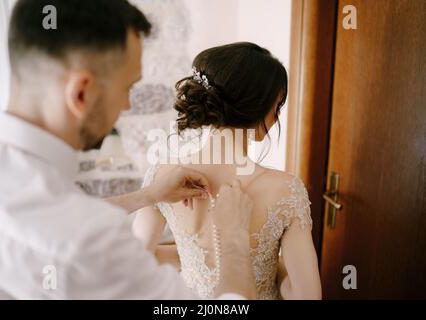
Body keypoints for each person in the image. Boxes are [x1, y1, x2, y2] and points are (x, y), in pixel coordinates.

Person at [0, 0, 256, 299]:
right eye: (127, 88)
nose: (128, 105)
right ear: (81, 93)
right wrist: (234, 242)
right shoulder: (93, 242)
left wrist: (147, 196)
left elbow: (36, 216)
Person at [133, 43, 322, 300]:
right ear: (261, 107)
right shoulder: (286, 190)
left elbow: (136, 261)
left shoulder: (161, 176)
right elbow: (306, 296)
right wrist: (271, 270)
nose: (276, 117)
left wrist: (190, 257)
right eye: (277, 106)